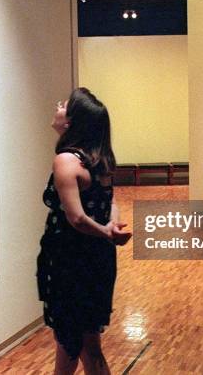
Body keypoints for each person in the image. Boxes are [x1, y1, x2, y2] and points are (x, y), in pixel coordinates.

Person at [37, 88, 132, 375]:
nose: (58, 104)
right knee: (84, 342)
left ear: (71, 121)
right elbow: (110, 201)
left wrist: (106, 231)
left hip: (70, 260)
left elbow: (76, 218)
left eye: (65, 104)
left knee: (72, 341)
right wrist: (111, 226)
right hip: (96, 258)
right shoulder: (98, 159)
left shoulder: (66, 161)